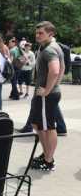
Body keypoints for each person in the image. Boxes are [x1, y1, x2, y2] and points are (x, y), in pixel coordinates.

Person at [27, 22, 65, 171]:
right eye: (36, 33)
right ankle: (46, 154)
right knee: (38, 125)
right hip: (45, 94)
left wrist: (48, 89)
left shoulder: (49, 50)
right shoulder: (48, 47)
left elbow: (55, 71)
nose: (37, 35)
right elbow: (62, 68)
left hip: (46, 95)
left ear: (51, 34)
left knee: (48, 127)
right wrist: (56, 85)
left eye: (41, 33)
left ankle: (49, 161)